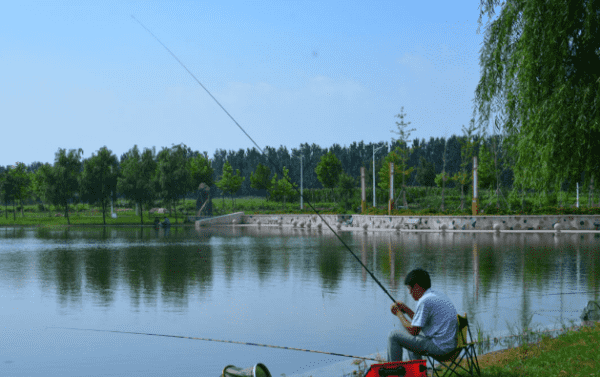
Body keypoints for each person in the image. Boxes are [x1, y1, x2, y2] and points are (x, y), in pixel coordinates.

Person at [387, 268, 458, 362]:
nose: (409, 292)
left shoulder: (425, 301)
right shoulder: (436, 295)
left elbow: (413, 330)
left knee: (393, 335)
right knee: (411, 339)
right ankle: (417, 372)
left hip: (441, 348)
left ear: (416, 287)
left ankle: (394, 373)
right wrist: (405, 308)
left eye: (409, 288)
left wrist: (398, 313)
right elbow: (419, 322)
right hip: (450, 345)